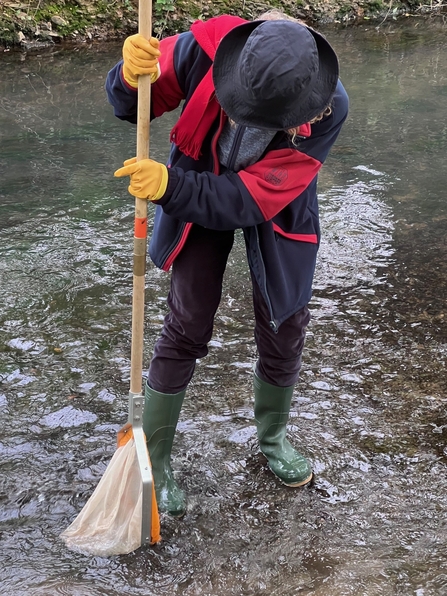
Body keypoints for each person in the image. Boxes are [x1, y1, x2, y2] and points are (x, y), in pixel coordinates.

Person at [106, 11, 349, 517]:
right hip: (198, 181)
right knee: (186, 323)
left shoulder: (328, 108)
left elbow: (248, 200)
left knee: (285, 320)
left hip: (274, 205)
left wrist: (171, 187)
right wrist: (129, 76)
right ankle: (156, 455)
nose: (243, 120)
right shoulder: (198, 50)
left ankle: (274, 438)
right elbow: (131, 106)